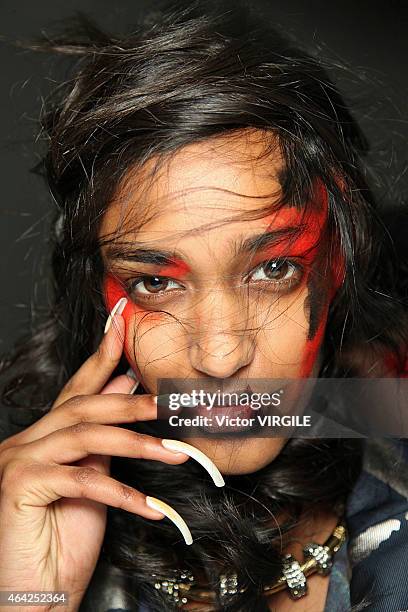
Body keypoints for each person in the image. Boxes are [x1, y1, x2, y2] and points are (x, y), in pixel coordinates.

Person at [0, 3, 407, 611]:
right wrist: (34, 600)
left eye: (274, 269)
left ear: (338, 265)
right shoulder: (27, 529)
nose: (220, 358)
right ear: (96, 291)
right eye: (155, 283)